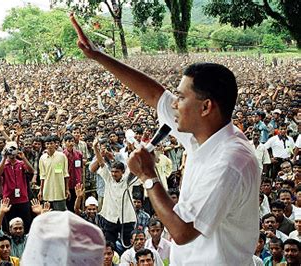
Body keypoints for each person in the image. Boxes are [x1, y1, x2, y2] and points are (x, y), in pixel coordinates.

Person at [71, 14, 260, 264]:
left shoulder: (229, 162)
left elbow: (182, 231)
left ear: (206, 107)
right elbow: (155, 95)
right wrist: (99, 56)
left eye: (181, 98)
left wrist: (148, 176)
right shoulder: (202, 136)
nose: (175, 104)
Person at [0, 146, 34, 232]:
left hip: (23, 199)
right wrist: (4, 158)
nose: (11, 153)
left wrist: (23, 158)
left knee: (26, 223)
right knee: (9, 224)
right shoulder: (4, 164)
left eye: (13, 150)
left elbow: (31, 171)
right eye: (10, 150)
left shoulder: (21, 163)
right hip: (8, 200)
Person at [38, 135, 70, 211]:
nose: (49, 146)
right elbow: (42, 176)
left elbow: (65, 174)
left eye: (51, 143)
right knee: (48, 215)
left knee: (60, 215)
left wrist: (67, 189)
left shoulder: (62, 156)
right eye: (47, 144)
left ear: (55, 144)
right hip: (47, 192)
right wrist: (41, 191)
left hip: (59, 191)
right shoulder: (42, 158)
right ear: (45, 145)